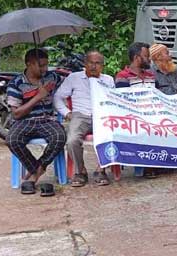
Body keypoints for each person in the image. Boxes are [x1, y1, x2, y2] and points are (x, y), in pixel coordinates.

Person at [6, 49, 66, 196]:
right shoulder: (16, 83)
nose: (45, 69)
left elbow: (70, 84)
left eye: (46, 65)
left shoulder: (52, 77)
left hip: (47, 120)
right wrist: (38, 97)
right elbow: (16, 113)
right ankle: (37, 170)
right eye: (41, 65)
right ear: (29, 64)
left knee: (60, 137)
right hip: (24, 121)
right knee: (12, 139)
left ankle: (33, 175)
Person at [53, 51, 115, 187]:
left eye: (97, 63)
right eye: (90, 63)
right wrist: (67, 113)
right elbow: (58, 97)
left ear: (103, 66)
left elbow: (114, 100)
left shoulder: (108, 80)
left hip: (102, 115)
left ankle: (101, 170)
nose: (94, 66)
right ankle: (80, 171)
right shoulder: (74, 78)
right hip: (80, 115)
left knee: (111, 136)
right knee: (72, 140)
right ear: (85, 64)